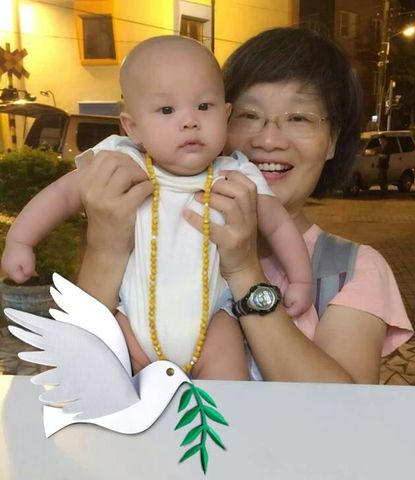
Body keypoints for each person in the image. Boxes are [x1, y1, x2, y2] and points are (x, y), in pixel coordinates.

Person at [75, 27, 414, 384]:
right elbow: (77, 377)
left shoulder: (351, 270)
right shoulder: (135, 227)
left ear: (331, 142)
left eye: (299, 118)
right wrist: (104, 252)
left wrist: (244, 271)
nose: (268, 140)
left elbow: (343, 409)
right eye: (249, 116)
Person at [1, 36, 314, 379]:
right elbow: (60, 196)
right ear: (132, 127)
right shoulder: (121, 162)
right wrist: (21, 240)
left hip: (212, 327)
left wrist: (300, 278)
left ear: (226, 115)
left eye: (204, 106)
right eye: (167, 110)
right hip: (129, 322)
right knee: (108, 377)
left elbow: (278, 225)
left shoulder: (237, 174)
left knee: (228, 387)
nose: (190, 121)